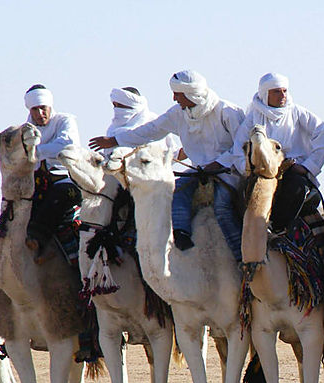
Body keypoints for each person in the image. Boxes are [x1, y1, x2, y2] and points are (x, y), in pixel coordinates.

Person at [89, 70, 244, 259]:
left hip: (230, 170)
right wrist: (115, 140)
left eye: (177, 94)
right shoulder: (178, 114)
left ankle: (241, 257)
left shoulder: (228, 112)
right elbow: (150, 131)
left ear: (190, 93)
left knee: (222, 206)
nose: (173, 98)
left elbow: (242, 147)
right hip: (199, 172)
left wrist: (217, 164)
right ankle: (182, 239)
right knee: (176, 191)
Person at [230, 73, 324, 233]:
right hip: (261, 173)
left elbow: (323, 135)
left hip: (292, 170)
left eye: (284, 91)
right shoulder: (253, 118)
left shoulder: (297, 112)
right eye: (277, 91)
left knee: (297, 188)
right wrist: (248, 170)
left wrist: (307, 167)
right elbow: (238, 148)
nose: (282, 95)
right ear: (266, 94)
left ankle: (279, 230)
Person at [23, 84, 83, 261]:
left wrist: (35, 152)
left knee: (59, 196)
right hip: (36, 181)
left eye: (43, 108)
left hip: (68, 179)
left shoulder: (65, 121)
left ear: (50, 107)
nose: (40, 113)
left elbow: (66, 144)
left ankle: (38, 238)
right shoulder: (25, 130)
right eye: (35, 109)